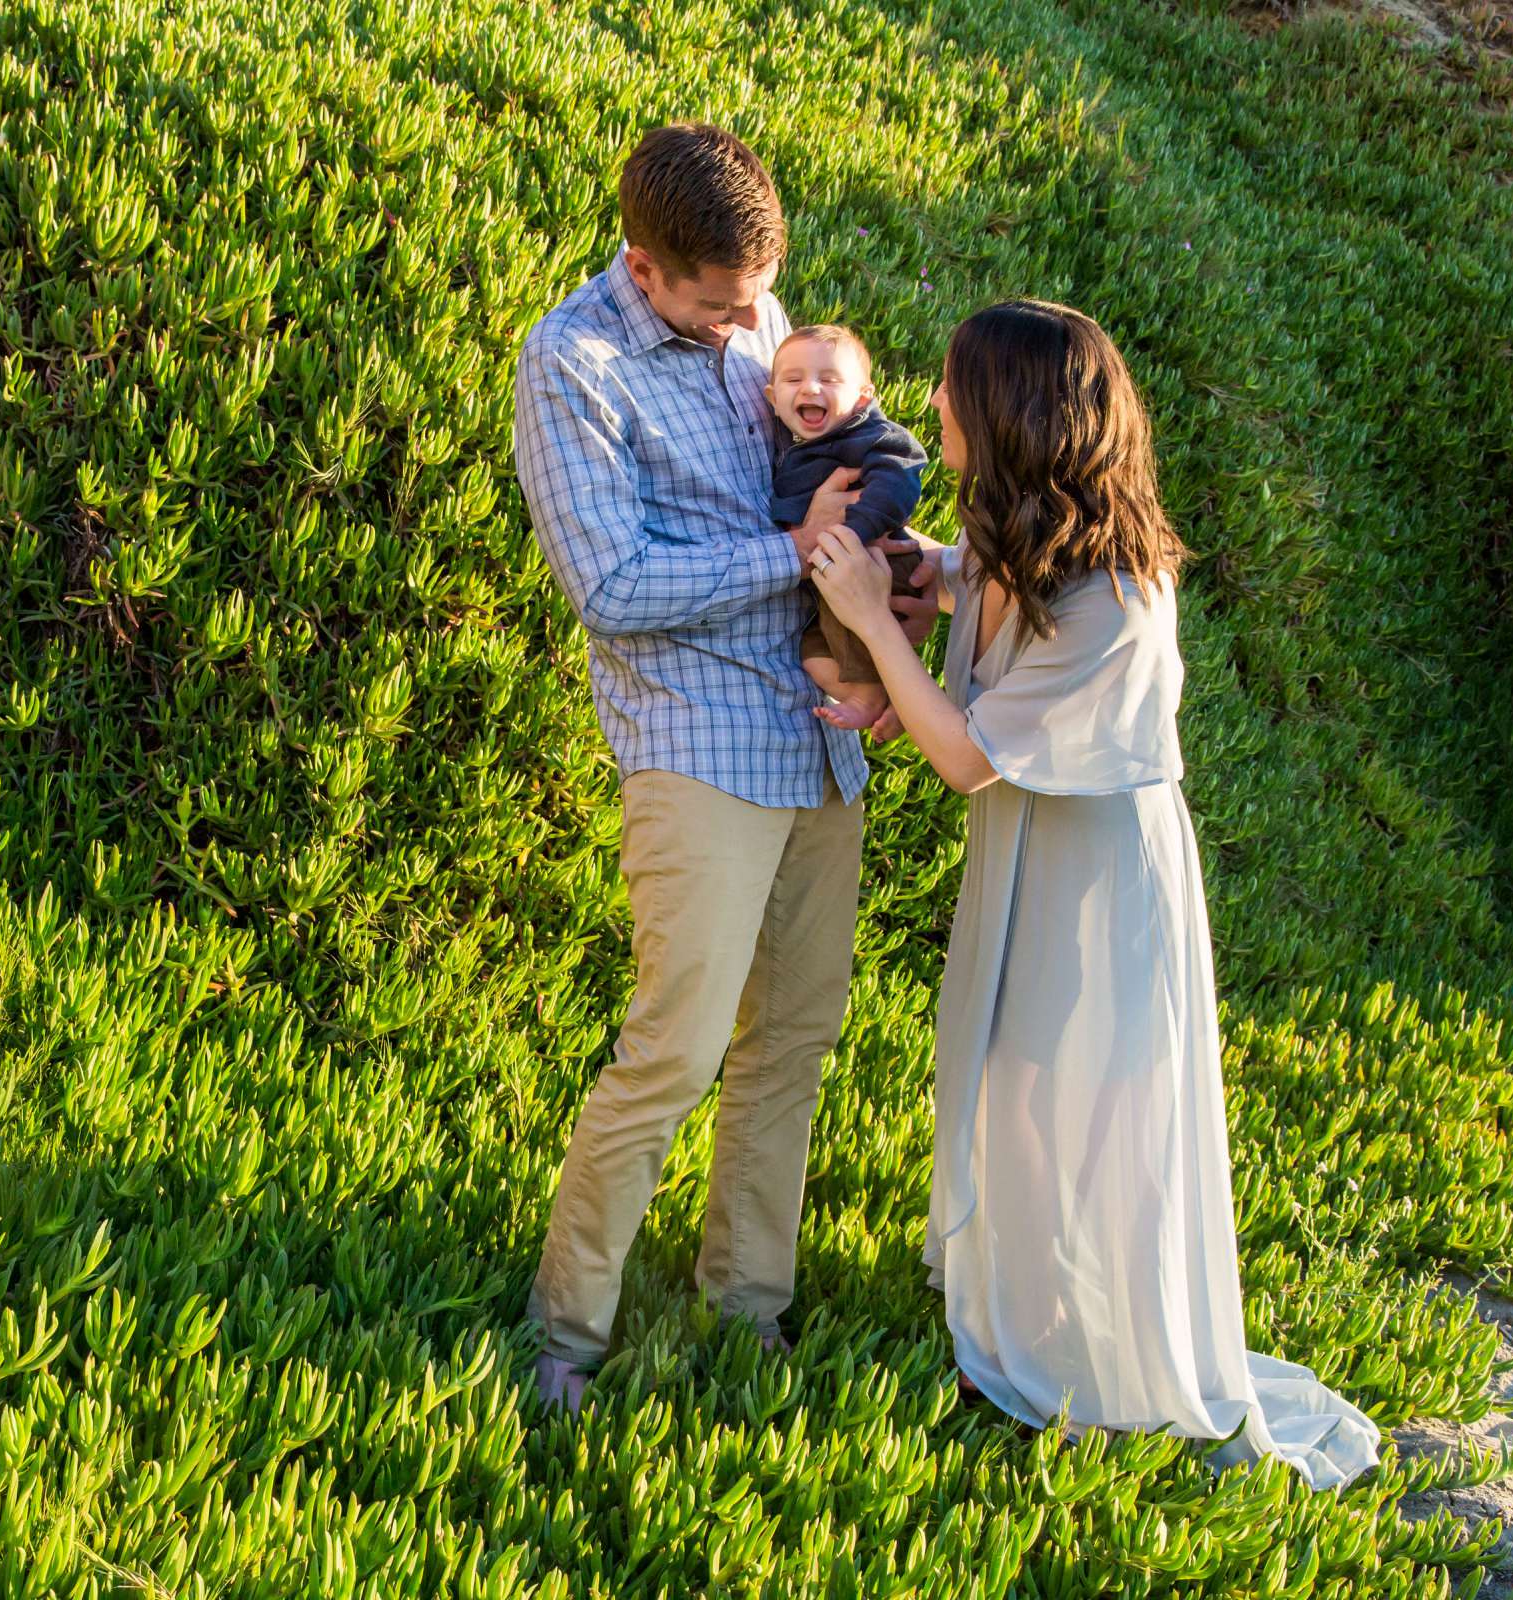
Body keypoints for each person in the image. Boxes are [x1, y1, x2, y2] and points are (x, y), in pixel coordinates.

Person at [805, 298, 1381, 1489]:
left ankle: (1095, 1356)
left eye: (957, 392)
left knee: (1084, 1105)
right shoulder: (1039, 543)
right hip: (1034, 854)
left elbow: (967, 753)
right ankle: (1028, 1321)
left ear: (1011, 416)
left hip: (1099, 879)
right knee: (1019, 1090)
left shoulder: (1119, 600)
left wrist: (876, 619)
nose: (939, 408)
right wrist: (932, 578)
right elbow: (997, 590)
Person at [510, 123, 939, 1413]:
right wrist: (804, 555)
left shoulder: (752, 308)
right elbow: (615, 586)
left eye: (760, 297)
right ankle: (564, 1334)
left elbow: (832, 451)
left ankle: (744, 1311)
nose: (750, 324)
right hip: (696, 742)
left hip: (817, 739)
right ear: (644, 268)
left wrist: (888, 578)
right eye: (719, 303)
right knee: (676, 1051)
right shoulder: (569, 363)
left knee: (792, 1042)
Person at [765, 324, 928, 731]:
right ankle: (881, 692)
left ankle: (871, 695)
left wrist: (855, 532)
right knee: (813, 654)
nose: (810, 389)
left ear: (862, 397)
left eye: (829, 379)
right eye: (793, 379)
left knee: (849, 628)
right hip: (833, 579)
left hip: (874, 563)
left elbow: (898, 481)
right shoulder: (796, 449)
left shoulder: (873, 438)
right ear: (772, 398)